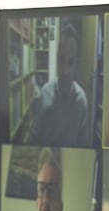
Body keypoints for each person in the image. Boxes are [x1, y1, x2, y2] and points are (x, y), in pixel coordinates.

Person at [18, 19, 92, 147]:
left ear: (77, 64)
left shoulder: (81, 100)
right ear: (57, 59)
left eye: (70, 62)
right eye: (61, 60)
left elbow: (83, 145)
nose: (65, 70)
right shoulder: (45, 93)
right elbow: (35, 135)